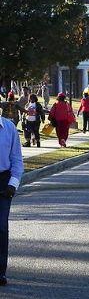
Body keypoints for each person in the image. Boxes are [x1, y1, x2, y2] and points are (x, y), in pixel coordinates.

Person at [0, 111, 24, 286]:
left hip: (3, 182)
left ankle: (0, 272)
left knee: (1, 228)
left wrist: (13, 183)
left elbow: (16, 159)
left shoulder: (9, 128)